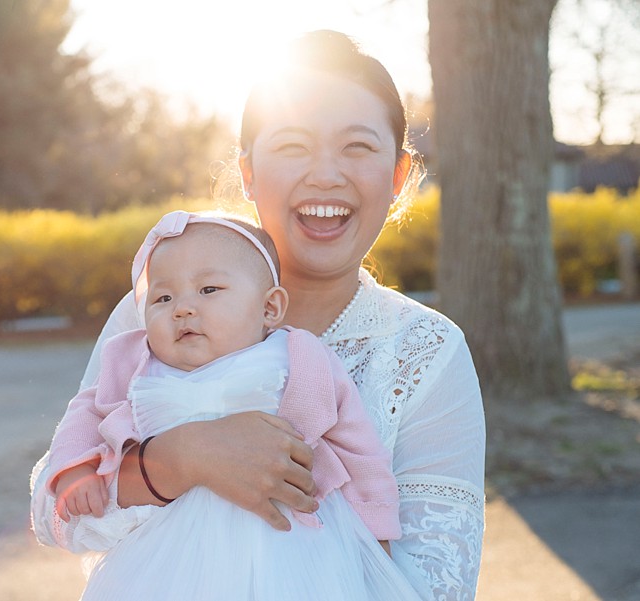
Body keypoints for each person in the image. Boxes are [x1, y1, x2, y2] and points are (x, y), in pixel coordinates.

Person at [32, 30, 485, 600]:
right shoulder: (161, 310)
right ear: (247, 173)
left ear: (397, 177)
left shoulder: (426, 350)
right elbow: (56, 515)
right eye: (293, 146)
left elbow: (435, 586)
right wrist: (180, 460)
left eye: (358, 147)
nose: (325, 174)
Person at [42, 210, 422, 599]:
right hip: (168, 556)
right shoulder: (133, 360)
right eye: (162, 297)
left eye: (209, 290)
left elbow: (358, 449)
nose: (182, 308)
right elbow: (84, 416)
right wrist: (75, 471)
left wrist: (376, 535)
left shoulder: (300, 357)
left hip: (289, 546)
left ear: (270, 307)